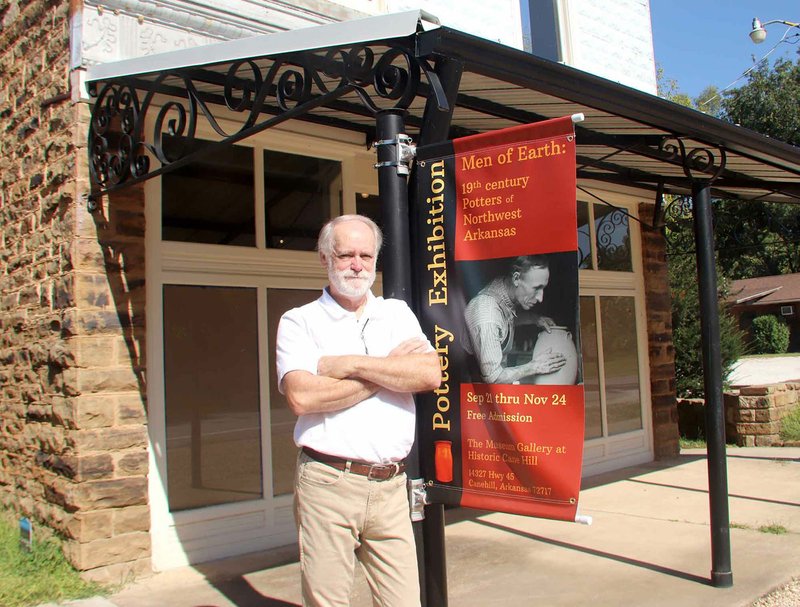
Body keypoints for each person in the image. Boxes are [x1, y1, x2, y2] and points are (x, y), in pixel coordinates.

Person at [276, 214, 442, 607]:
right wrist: (388, 370)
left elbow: (429, 373)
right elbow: (303, 398)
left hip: (390, 487)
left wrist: (350, 364)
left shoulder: (397, 314)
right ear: (324, 258)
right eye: (346, 254)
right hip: (329, 483)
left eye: (366, 255)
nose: (357, 264)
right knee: (328, 601)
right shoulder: (299, 321)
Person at [463, 255, 567, 384]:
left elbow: (505, 320)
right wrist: (534, 367)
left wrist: (535, 319)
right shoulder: (488, 313)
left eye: (543, 288)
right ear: (516, 278)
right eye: (536, 288)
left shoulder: (503, 289)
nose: (540, 298)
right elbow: (493, 378)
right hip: (473, 389)